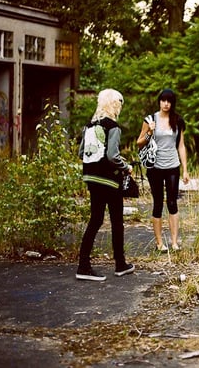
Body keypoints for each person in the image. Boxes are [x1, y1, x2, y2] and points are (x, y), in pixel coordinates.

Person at [77, 88, 135, 281]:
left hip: (91, 178)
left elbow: (81, 153)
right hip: (109, 180)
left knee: (95, 219)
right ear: (115, 104)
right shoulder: (113, 127)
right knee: (117, 221)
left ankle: (83, 265)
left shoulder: (89, 126)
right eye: (120, 103)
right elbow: (112, 156)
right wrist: (126, 166)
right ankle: (120, 264)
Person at [137, 88, 189, 252]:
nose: (166, 104)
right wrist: (149, 132)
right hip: (155, 167)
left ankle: (174, 242)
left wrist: (185, 169)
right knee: (158, 203)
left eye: (169, 101)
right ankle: (159, 243)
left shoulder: (178, 121)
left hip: (172, 166)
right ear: (159, 101)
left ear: (172, 103)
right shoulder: (150, 119)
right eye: (163, 100)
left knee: (172, 203)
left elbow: (181, 146)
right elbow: (139, 143)